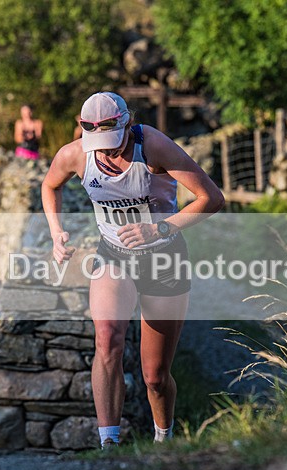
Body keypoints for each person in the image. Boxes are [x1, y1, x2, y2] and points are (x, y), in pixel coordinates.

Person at [41, 92, 224, 448]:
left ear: (127, 122)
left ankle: (163, 440)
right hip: (112, 255)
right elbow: (50, 186)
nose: (107, 152)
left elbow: (211, 198)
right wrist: (55, 233)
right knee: (107, 338)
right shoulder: (75, 155)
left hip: (163, 257)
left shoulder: (153, 145)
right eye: (99, 144)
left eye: (113, 142)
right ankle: (109, 443)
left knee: (154, 376)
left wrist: (160, 228)